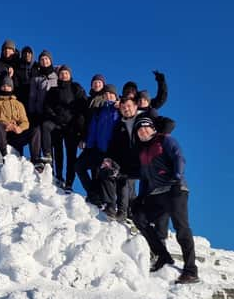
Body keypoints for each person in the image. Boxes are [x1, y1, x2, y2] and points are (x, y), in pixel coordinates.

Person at [132, 117, 199, 284]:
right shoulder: (143, 151)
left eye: (146, 128)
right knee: (139, 217)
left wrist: (177, 176)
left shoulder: (165, 140)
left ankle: (191, 270)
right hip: (157, 194)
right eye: (140, 131)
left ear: (153, 129)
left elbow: (178, 157)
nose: (143, 132)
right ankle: (163, 256)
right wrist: (141, 198)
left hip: (175, 190)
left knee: (181, 227)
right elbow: (145, 178)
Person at [41, 65, 87, 191]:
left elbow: (82, 106)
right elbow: (47, 106)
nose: (64, 75)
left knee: (71, 155)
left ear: (70, 75)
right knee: (58, 150)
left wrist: (78, 124)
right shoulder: (53, 90)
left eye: (66, 73)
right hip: (57, 124)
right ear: (58, 75)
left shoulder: (76, 88)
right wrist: (55, 117)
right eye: (61, 73)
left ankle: (69, 183)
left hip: (72, 127)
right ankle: (58, 175)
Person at [75, 84, 120, 205]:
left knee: (106, 175)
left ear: (116, 96)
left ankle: (111, 204)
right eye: (106, 94)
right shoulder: (99, 110)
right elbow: (93, 130)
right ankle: (93, 194)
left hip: (111, 151)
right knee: (79, 166)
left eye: (111, 94)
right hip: (96, 149)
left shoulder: (120, 110)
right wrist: (88, 145)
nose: (108, 96)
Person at [0, 76, 41, 165]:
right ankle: (5, 155)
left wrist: (19, 128)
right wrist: (5, 124)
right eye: (4, 85)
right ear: (0, 87)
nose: (6, 87)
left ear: (12, 88)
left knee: (35, 130)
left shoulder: (18, 104)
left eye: (8, 86)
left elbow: (25, 122)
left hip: (15, 135)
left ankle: (35, 159)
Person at [27, 50, 58, 162]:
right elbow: (32, 96)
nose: (44, 61)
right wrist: (31, 112)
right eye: (42, 59)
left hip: (52, 114)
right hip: (39, 111)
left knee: (51, 139)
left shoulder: (56, 76)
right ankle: (36, 159)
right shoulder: (36, 78)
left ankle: (51, 167)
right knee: (36, 133)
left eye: (46, 59)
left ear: (50, 61)